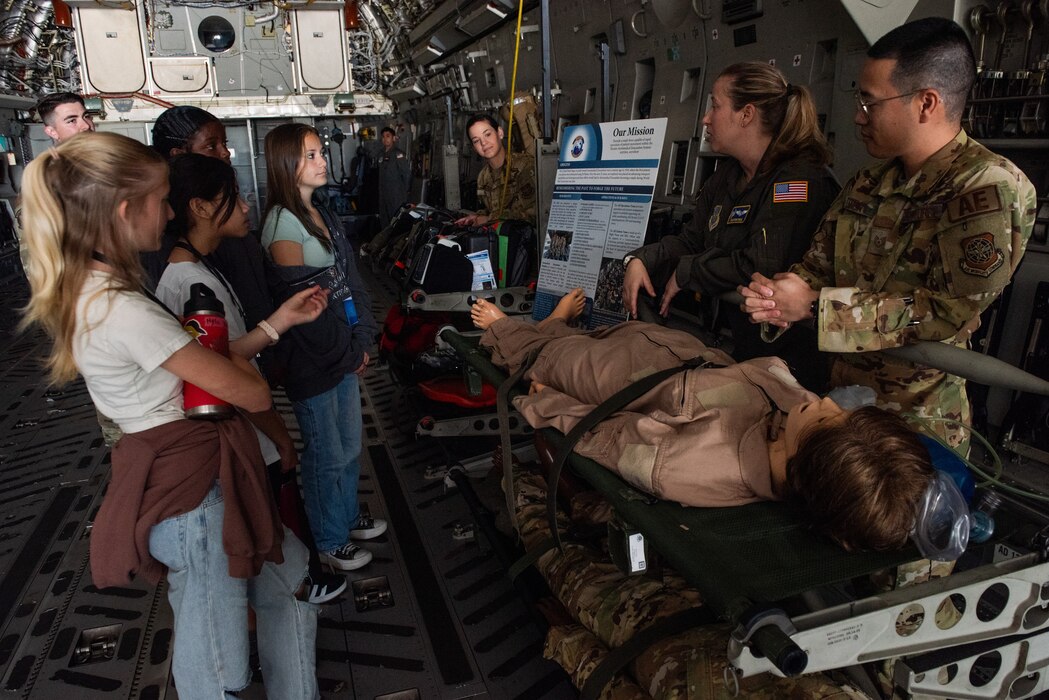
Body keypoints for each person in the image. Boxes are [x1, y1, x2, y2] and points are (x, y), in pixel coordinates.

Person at [18, 131, 319, 699]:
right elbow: (245, 391)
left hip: (190, 482)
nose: (168, 212)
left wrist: (274, 326)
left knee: (290, 582)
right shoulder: (120, 307)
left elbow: (209, 362)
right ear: (126, 211)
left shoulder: (102, 289)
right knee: (218, 670)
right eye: (160, 200)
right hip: (194, 500)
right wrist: (246, 378)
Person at [738, 18, 1037, 450]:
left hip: (916, 426)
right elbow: (817, 265)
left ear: (925, 103)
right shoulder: (866, 182)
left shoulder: (987, 187)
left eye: (870, 103)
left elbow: (945, 312)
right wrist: (779, 296)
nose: (858, 117)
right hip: (842, 405)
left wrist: (815, 308)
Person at [470, 292, 934, 553]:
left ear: (805, 464)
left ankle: (512, 325)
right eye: (844, 412)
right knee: (576, 344)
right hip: (660, 349)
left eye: (830, 421)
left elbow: (597, 435)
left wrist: (547, 402)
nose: (830, 405)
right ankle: (553, 326)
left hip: (612, 381)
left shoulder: (685, 464)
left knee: (539, 357)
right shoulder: (801, 419)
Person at [156, 153, 348, 604]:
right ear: (201, 208)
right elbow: (224, 379)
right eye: (234, 198)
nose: (245, 208)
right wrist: (281, 439)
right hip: (237, 434)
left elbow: (222, 353)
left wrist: (280, 320)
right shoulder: (188, 285)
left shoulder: (200, 271)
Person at [623, 62, 840, 391]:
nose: (706, 118)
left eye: (715, 105)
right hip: (743, 349)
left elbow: (762, 265)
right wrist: (641, 259)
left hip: (791, 363)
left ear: (746, 114)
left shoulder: (798, 178)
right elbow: (692, 239)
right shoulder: (726, 176)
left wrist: (687, 271)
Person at [261, 123, 385, 571]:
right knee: (325, 454)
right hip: (312, 363)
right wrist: (350, 352)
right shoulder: (282, 226)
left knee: (350, 446)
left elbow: (350, 284)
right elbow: (303, 314)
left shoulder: (323, 214)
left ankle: (347, 516)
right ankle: (330, 540)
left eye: (320, 153)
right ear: (285, 164)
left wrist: (362, 337)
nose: (321, 162)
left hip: (343, 353)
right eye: (311, 155)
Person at [455, 114, 537, 228]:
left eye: (487, 134)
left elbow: (535, 215)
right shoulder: (483, 177)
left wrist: (489, 219)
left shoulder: (525, 166)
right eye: (476, 141)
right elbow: (492, 209)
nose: (484, 143)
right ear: (474, 148)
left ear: (500, 133)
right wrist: (477, 217)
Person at [377, 125, 412, 229]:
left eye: (388, 136)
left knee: (395, 220)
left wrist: (405, 193)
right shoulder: (381, 154)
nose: (385, 139)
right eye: (383, 136)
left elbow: (406, 174)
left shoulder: (398, 154)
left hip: (396, 195)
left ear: (393, 138)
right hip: (384, 194)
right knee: (384, 220)